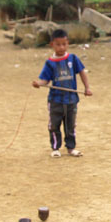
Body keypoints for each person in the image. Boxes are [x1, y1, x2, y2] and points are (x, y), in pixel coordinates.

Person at [31, 29, 92, 157]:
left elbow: (82, 72)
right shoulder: (50, 63)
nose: (61, 47)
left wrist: (87, 88)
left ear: (68, 43)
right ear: (52, 44)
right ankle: (55, 148)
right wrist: (39, 84)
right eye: (58, 44)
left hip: (71, 99)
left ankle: (71, 148)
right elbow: (45, 80)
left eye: (64, 44)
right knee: (54, 125)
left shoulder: (73, 58)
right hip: (55, 100)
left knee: (70, 125)